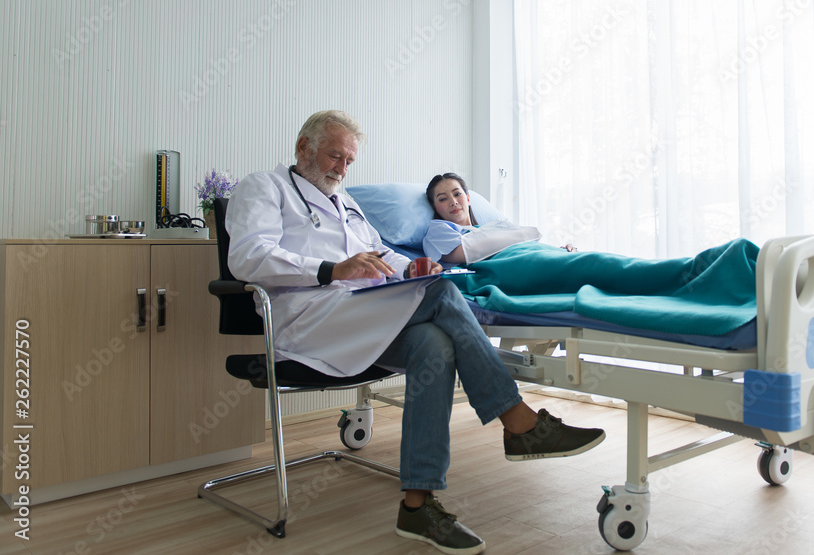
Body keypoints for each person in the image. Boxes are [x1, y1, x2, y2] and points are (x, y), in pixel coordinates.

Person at [226, 111, 605, 555]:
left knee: (434, 343)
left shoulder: (344, 201)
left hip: (358, 316)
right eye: (334, 156)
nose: (341, 168)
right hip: (309, 319)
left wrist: (410, 266)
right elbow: (248, 259)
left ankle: (418, 505)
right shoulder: (264, 188)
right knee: (443, 294)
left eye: (349, 160)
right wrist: (331, 269)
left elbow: (377, 249)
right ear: (303, 148)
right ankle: (518, 421)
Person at [424, 173, 574, 262]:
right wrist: (526, 233)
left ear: (468, 199)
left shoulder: (493, 227)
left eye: (457, 194)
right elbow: (471, 251)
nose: (453, 202)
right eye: (443, 199)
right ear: (435, 207)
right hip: (513, 265)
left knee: (579, 259)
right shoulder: (438, 232)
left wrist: (556, 250)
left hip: (533, 254)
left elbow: (526, 246)